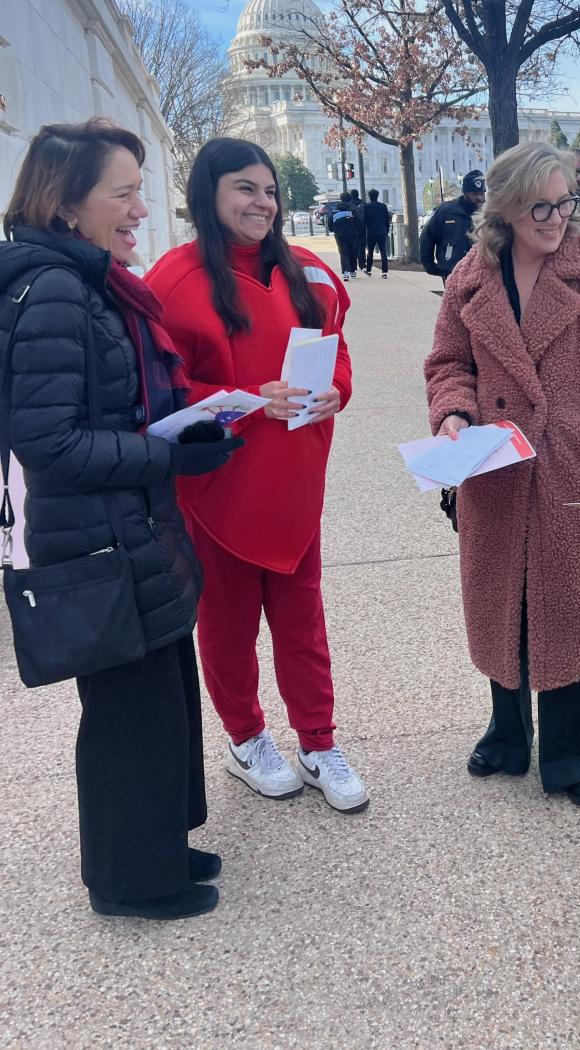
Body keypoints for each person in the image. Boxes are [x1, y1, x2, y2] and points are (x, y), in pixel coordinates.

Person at [0, 119, 243, 920]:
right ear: (68, 205)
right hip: (97, 539)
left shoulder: (90, 279)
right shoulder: (60, 288)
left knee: (160, 698)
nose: (143, 208)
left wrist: (188, 426)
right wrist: (168, 455)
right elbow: (47, 439)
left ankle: (157, 843)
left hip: (130, 528)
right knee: (127, 716)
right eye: (124, 192)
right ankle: (130, 879)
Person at [424, 142, 580, 808]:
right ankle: (507, 736)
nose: (557, 217)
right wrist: (452, 413)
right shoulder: (469, 279)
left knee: (569, 606)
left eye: (565, 203)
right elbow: (448, 364)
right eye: (541, 206)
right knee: (504, 601)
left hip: (573, 467)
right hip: (493, 470)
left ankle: (571, 753)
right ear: (503, 206)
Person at [145, 138, 369, 814]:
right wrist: (246, 398)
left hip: (297, 481)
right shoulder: (172, 281)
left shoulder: (313, 274)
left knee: (304, 620)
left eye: (269, 190)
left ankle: (318, 741)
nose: (263, 202)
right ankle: (246, 739)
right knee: (228, 624)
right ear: (208, 194)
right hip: (219, 488)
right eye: (245, 188)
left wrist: (338, 391)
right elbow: (161, 390)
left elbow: (338, 357)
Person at [420, 169, 486, 283]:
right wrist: (430, 265)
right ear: (465, 193)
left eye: (481, 193)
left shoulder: (489, 213)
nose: (479, 197)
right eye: (474, 194)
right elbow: (427, 237)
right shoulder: (446, 211)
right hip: (452, 271)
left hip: (481, 273)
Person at [330, 191, 363, 281]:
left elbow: (330, 223)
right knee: (353, 252)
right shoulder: (353, 209)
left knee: (343, 253)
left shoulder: (335, 209)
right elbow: (360, 221)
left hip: (339, 235)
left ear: (341, 199)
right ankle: (353, 271)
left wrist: (334, 230)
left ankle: (345, 273)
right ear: (350, 199)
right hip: (352, 234)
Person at [362, 188, 391, 278]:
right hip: (382, 231)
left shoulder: (366, 207)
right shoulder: (383, 206)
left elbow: (364, 221)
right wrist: (386, 230)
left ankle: (369, 270)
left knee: (370, 252)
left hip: (371, 232)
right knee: (383, 251)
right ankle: (384, 272)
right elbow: (387, 219)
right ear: (377, 196)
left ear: (369, 197)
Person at [349, 188, 367, 273]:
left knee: (353, 248)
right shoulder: (363, 203)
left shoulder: (349, 205)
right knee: (362, 248)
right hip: (362, 229)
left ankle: (353, 265)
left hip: (352, 229)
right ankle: (362, 264)